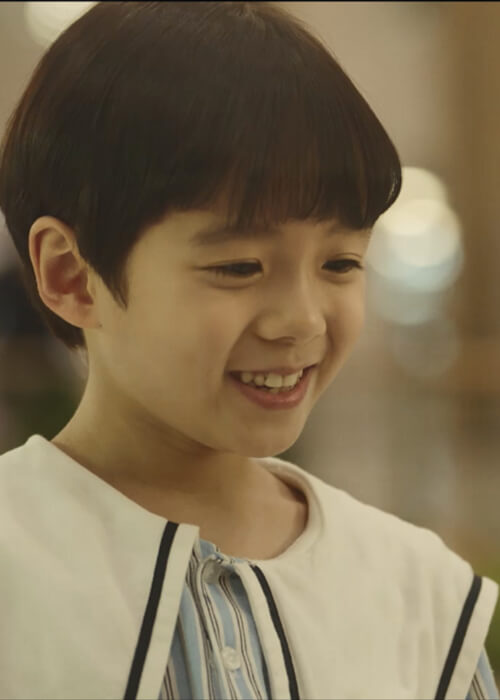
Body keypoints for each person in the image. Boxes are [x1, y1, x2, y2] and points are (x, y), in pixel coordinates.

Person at [0, 2, 497, 699]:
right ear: (71, 276)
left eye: (341, 263)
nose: (302, 321)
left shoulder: (422, 597)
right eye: (239, 267)